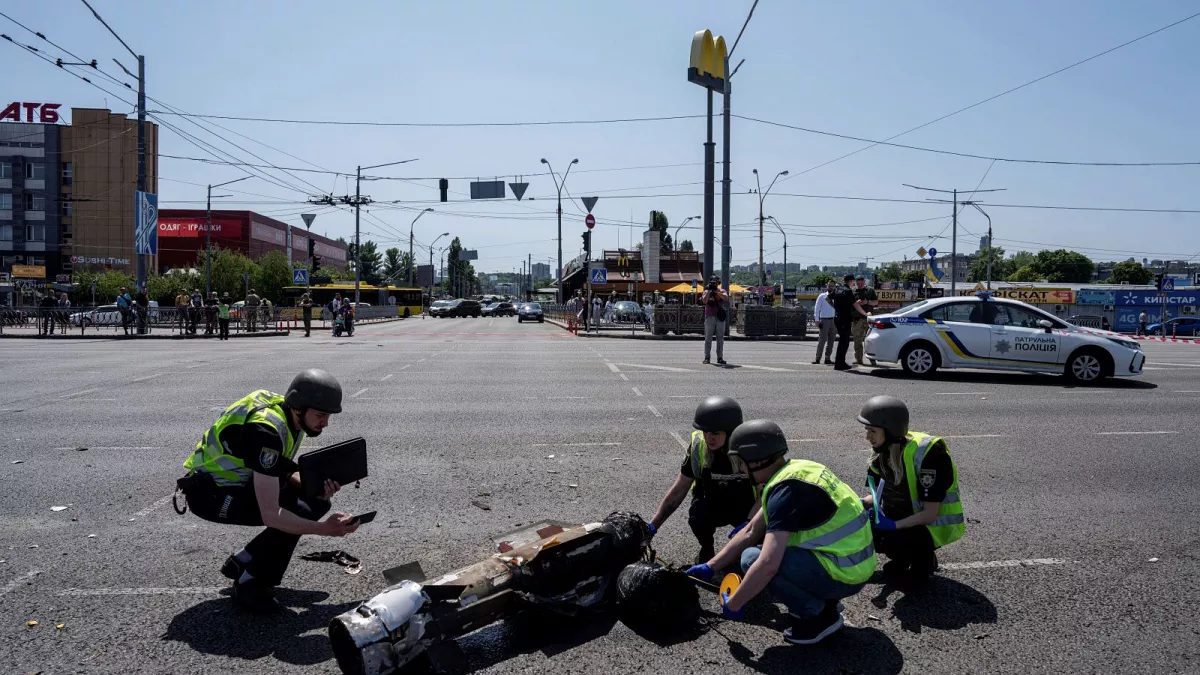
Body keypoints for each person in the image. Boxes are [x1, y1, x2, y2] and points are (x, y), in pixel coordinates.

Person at [176, 369, 358, 612]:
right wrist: (324, 529)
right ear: (299, 408)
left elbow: (277, 469)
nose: (325, 422)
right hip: (211, 496)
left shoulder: (286, 413)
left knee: (316, 501)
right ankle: (250, 583)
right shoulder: (267, 431)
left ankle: (244, 560)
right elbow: (271, 515)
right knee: (301, 512)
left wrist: (315, 488)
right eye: (321, 415)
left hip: (235, 485)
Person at [687, 420, 874, 645]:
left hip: (845, 573)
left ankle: (820, 616)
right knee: (758, 554)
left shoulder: (784, 493)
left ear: (757, 460)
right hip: (853, 563)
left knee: (753, 559)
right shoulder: (795, 471)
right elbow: (750, 530)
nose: (741, 470)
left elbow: (768, 564)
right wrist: (710, 567)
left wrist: (734, 603)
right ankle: (825, 600)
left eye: (742, 463)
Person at [857, 396, 963, 583]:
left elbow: (930, 515)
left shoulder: (929, 455)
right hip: (903, 517)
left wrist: (892, 526)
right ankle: (902, 557)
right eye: (867, 430)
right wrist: (857, 505)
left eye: (872, 431)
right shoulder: (881, 452)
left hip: (931, 526)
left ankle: (923, 562)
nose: (867, 437)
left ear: (890, 431)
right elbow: (876, 494)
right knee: (859, 528)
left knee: (897, 543)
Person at [648, 397, 756, 563]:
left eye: (715, 433)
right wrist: (652, 526)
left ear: (731, 432)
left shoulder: (750, 449)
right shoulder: (699, 446)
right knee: (698, 515)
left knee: (751, 553)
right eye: (705, 432)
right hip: (713, 504)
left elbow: (766, 492)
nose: (708, 438)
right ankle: (707, 549)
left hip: (746, 507)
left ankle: (746, 547)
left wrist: (751, 524)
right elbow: (679, 490)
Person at [832, 274, 866, 370]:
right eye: (853, 281)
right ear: (851, 281)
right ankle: (839, 364)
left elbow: (828, 298)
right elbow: (856, 305)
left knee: (843, 341)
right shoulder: (847, 291)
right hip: (844, 319)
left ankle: (840, 362)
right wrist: (865, 314)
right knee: (844, 342)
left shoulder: (838, 289)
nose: (854, 283)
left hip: (837, 318)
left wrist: (836, 308)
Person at [701, 275, 730, 365]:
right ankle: (707, 357)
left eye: (716, 282)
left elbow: (726, 298)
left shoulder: (722, 291)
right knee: (708, 338)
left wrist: (716, 292)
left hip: (719, 317)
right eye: (712, 282)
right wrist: (709, 291)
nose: (714, 284)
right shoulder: (706, 291)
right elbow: (704, 301)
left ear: (718, 283)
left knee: (720, 338)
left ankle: (720, 357)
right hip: (709, 316)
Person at [852, 275, 878, 366]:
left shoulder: (870, 290)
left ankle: (872, 360)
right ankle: (858, 359)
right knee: (857, 340)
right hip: (857, 319)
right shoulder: (853, 291)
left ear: (864, 282)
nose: (860, 285)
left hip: (868, 319)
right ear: (856, 283)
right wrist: (857, 303)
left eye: (861, 283)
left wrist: (867, 302)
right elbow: (850, 304)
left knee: (870, 340)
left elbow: (876, 302)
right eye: (858, 283)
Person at [811, 280, 837, 365]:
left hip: (834, 320)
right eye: (829, 286)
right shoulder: (822, 296)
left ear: (835, 287)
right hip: (824, 320)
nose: (830, 287)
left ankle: (827, 358)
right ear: (827, 286)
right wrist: (817, 320)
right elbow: (817, 308)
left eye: (832, 286)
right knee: (822, 340)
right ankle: (817, 358)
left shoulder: (837, 296)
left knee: (831, 341)